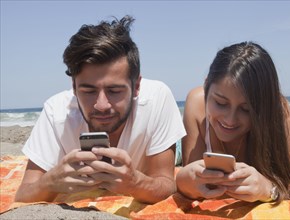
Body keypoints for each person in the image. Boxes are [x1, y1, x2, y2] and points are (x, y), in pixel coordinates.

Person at [15, 16, 186, 204]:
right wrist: (50, 182)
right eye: (88, 91)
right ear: (73, 86)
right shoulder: (56, 112)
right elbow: (23, 195)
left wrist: (135, 183)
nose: (102, 105)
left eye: (114, 91)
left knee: (178, 155)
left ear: (137, 86)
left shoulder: (156, 97)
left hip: (161, 144)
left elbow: (167, 185)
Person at [176, 42, 290, 204]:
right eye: (220, 103)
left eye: (246, 109)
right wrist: (184, 182)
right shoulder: (196, 104)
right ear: (206, 86)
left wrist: (268, 189)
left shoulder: (278, 112)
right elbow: (191, 185)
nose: (230, 120)